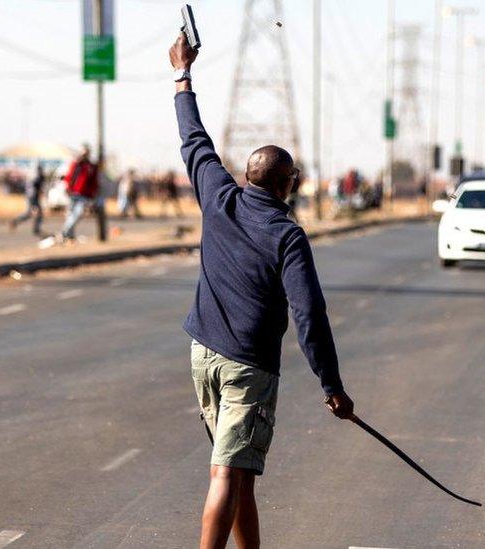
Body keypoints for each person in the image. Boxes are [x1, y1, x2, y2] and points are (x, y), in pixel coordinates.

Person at [169, 34, 353, 549]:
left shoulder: (218, 196)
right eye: (293, 177)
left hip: (202, 355)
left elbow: (194, 139)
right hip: (247, 369)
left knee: (240, 469)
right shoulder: (287, 234)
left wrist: (182, 75)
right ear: (284, 184)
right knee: (226, 474)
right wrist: (331, 385)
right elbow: (309, 314)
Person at [60, 146, 98, 240]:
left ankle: (64, 231)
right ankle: (69, 235)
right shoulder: (76, 164)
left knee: (78, 213)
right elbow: (69, 176)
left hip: (84, 195)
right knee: (70, 214)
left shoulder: (91, 166)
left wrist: (93, 194)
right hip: (73, 193)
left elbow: (94, 181)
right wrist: (67, 187)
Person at [10, 162, 46, 235]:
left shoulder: (34, 177)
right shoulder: (38, 178)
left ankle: (15, 221)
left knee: (29, 213)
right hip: (33, 198)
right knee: (37, 214)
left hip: (31, 197)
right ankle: (36, 229)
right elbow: (35, 188)